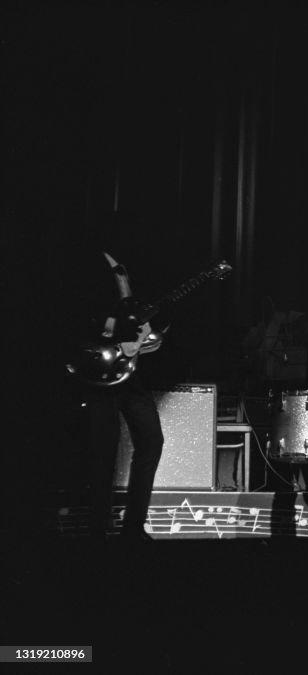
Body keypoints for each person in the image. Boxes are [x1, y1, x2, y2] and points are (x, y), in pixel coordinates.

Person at [63, 217, 165, 543]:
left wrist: (150, 339)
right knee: (103, 450)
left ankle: (133, 526)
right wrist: (116, 331)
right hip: (100, 371)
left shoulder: (127, 269)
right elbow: (79, 312)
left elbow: (141, 318)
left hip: (131, 373)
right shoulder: (89, 265)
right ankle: (97, 529)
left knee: (151, 441)